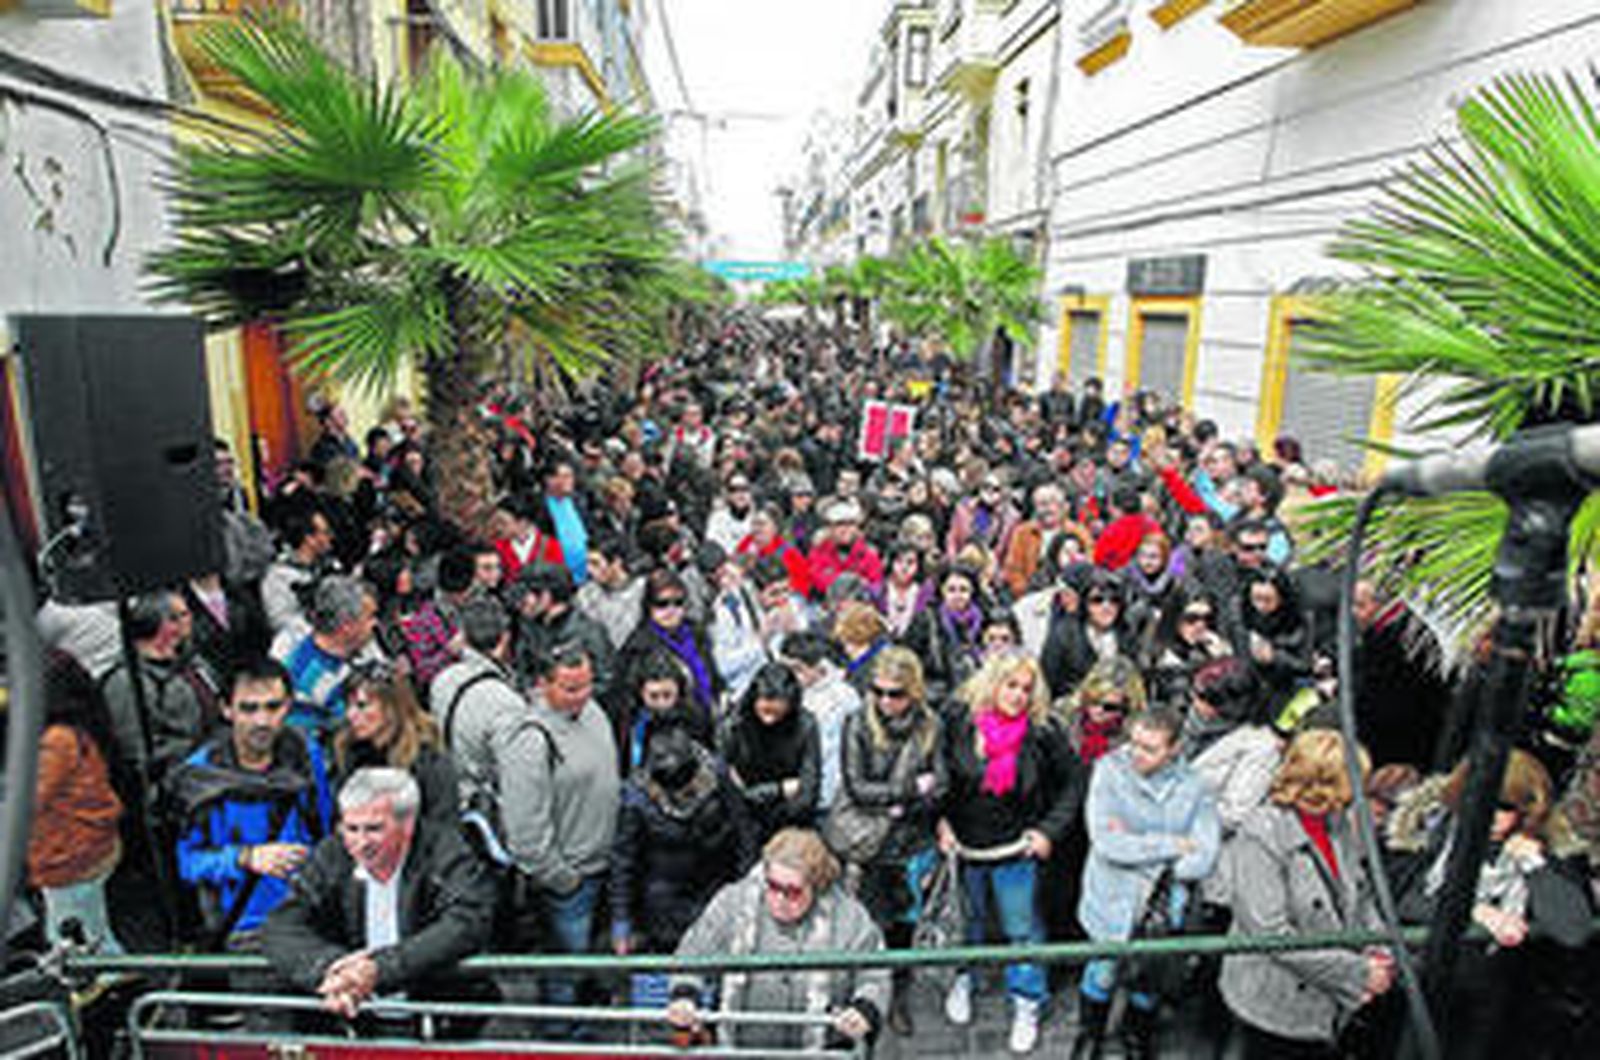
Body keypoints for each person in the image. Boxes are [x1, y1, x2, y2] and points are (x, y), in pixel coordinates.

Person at [1388, 749, 1594, 1060]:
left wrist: (1533, 864)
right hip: (1413, 990)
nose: (1493, 815)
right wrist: (1472, 912)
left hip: (1495, 1009)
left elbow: (1573, 929)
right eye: (1484, 801)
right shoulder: (1429, 833)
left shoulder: (1545, 850)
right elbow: (1397, 898)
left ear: (1528, 810)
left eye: (1506, 807)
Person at [262, 768, 498, 1032]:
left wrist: (379, 970)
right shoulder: (331, 854)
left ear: (408, 823)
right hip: (351, 1020)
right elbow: (282, 923)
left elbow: (467, 922)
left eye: (374, 829)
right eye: (351, 828)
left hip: (441, 1021)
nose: (361, 843)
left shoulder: (447, 852)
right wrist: (332, 968)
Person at [939, 653, 1083, 1055]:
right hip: (965, 847)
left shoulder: (1042, 732)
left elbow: (1074, 782)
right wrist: (941, 821)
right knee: (967, 920)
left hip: (1015, 848)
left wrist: (1049, 831)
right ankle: (963, 976)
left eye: (1026, 688)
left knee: (1022, 929)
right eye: (1011, 685)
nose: (1018, 696)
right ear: (993, 683)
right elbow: (942, 777)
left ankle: (1027, 1001)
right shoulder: (960, 721)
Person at [1221, 730, 1394, 1060]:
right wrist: (1359, 974)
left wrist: (1380, 950)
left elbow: (1361, 893)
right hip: (1276, 1004)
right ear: (1327, 784)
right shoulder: (1262, 833)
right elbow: (1270, 934)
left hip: (1327, 995)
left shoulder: (1339, 822)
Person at [1075, 708, 1220, 1060]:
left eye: (1150, 748)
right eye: (1134, 743)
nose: (1136, 754)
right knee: (1103, 969)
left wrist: (1137, 845)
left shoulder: (1195, 785)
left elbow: (1204, 854)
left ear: (1173, 749)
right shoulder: (1109, 771)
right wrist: (1169, 845)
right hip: (1111, 896)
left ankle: (1136, 1036)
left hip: (1164, 904)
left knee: (1151, 976)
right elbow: (1106, 842)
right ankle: (1090, 1034)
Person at [667, 828, 889, 1052]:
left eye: (792, 892)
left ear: (817, 884)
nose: (780, 899)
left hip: (820, 1049)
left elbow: (874, 973)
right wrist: (686, 995)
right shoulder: (732, 903)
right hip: (739, 1046)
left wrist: (864, 1010)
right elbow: (694, 952)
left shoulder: (850, 917)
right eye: (772, 886)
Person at [170, 657, 334, 952]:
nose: (262, 721)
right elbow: (188, 863)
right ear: (226, 709)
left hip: (308, 918)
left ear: (289, 706)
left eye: (273, 707)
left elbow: (324, 829)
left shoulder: (307, 755)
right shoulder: (200, 777)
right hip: (245, 929)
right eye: (249, 708)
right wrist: (245, 858)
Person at [837, 647, 946, 1036]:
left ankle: (898, 995)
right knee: (870, 927)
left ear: (913, 692)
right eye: (878, 691)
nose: (886, 701)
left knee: (904, 930)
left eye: (896, 693)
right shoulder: (858, 723)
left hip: (913, 842)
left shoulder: (931, 724)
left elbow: (942, 785)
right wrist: (908, 791)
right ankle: (864, 1000)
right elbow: (856, 787)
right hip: (873, 844)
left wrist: (904, 802)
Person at [609, 721, 758, 958]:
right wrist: (621, 920)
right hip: (664, 896)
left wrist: (745, 887)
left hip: (715, 882)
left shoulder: (717, 775)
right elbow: (623, 861)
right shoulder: (636, 798)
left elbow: (744, 831)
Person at [27, 652, 126, 955]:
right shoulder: (79, 726)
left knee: (80, 943)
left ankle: (121, 991)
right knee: (91, 928)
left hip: (68, 855)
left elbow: (27, 801)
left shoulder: (56, 741)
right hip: (91, 844)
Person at [101, 589, 213, 789]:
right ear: (164, 623)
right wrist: (197, 753)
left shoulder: (191, 662)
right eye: (183, 614)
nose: (191, 620)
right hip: (173, 784)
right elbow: (135, 751)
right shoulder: (126, 681)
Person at [331, 663, 458, 830]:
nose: (351, 715)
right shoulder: (348, 752)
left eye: (362, 706)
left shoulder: (429, 762)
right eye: (348, 706)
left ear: (393, 707)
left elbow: (443, 829)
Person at [719, 661, 821, 843]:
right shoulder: (734, 724)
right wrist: (778, 790)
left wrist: (756, 797)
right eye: (765, 701)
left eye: (778, 703)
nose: (770, 709)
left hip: (789, 818)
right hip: (742, 819)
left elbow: (808, 792)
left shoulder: (806, 725)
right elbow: (727, 789)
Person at [278, 576, 383, 736]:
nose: (375, 623)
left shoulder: (359, 648)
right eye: (370, 617)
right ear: (347, 627)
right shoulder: (311, 681)